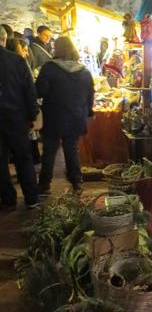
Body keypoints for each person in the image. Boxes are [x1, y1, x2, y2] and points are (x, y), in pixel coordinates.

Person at [36, 36, 94, 195]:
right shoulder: (84, 71)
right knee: (72, 149)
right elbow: (90, 96)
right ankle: (77, 183)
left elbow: (39, 91)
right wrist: (87, 112)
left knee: (49, 150)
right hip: (76, 116)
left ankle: (44, 185)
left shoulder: (49, 68)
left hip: (53, 116)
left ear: (57, 49)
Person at [0, 26, 40, 209]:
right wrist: (33, 115)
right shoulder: (16, 61)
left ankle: (8, 198)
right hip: (16, 117)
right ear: (4, 39)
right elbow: (29, 90)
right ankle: (31, 198)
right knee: (23, 158)